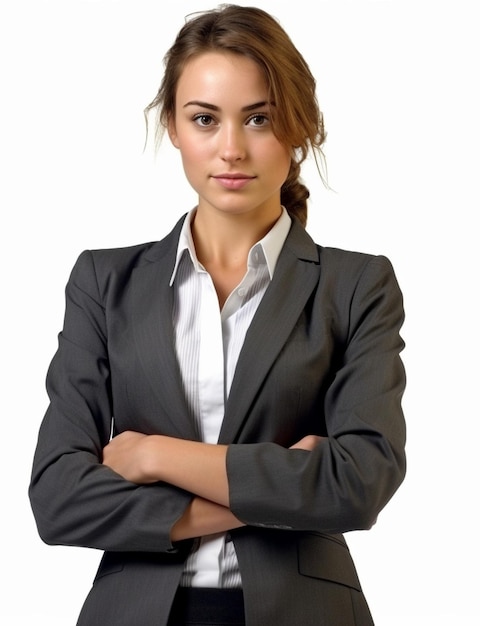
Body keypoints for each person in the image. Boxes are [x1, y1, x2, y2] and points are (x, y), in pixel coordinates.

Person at [28, 5, 407, 625]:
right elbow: (58, 500)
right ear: (174, 129)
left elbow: (357, 483)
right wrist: (278, 490)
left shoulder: (356, 284)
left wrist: (151, 455)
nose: (231, 148)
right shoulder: (104, 282)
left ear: (300, 127)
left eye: (258, 118)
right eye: (205, 119)